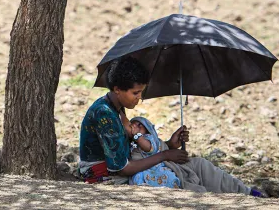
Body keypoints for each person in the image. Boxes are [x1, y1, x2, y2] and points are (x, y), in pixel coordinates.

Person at [78, 56, 265, 197]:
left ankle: (253, 196)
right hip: (107, 177)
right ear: (117, 89)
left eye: (141, 92)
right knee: (179, 175)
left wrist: (169, 144)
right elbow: (122, 168)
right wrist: (165, 155)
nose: (139, 98)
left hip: (127, 165)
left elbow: (135, 147)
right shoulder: (105, 114)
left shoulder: (118, 108)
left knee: (198, 165)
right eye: (135, 93)